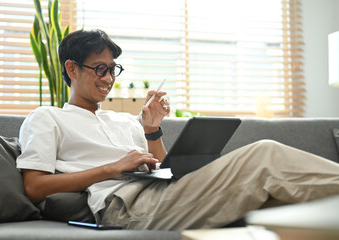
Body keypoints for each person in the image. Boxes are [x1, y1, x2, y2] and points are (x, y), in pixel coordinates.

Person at [17, 29, 339, 230]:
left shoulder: (124, 121)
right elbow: (34, 186)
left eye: (112, 69)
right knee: (264, 155)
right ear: (71, 68)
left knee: (280, 199)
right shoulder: (47, 118)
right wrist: (113, 168)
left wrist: (152, 131)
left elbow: (165, 169)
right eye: (100, 69)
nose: (108, 78)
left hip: (161, 194)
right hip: (123, 207)